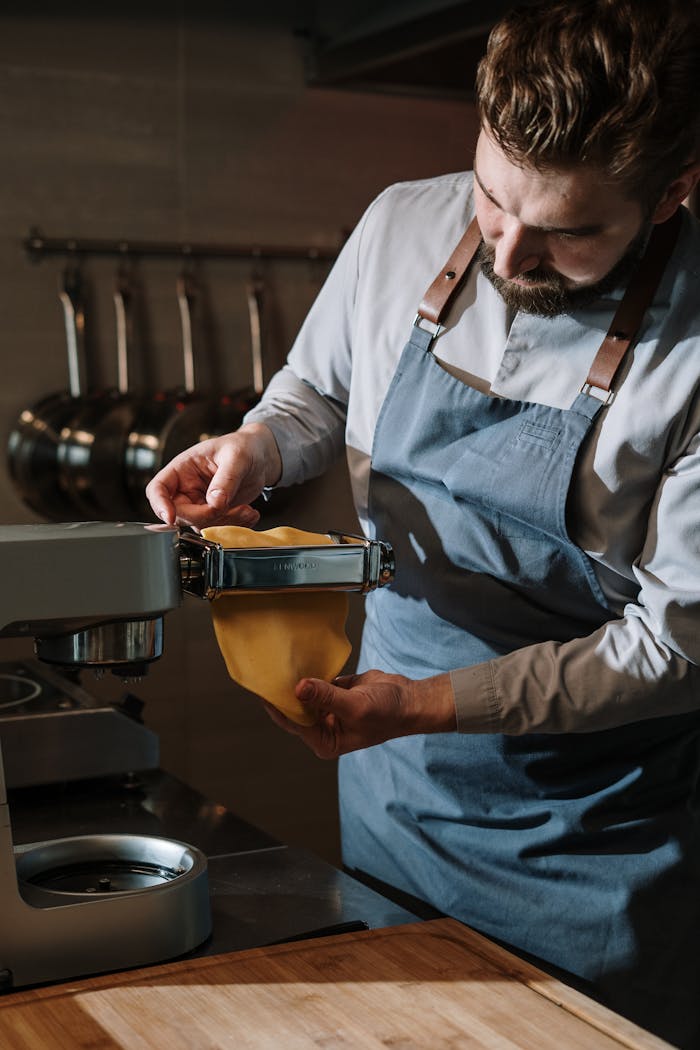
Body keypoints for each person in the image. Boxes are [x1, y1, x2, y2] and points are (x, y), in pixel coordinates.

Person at [147, 1, 700, 1044]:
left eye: (567, 231)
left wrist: (426, 704)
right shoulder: (404, 220)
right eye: (492, 198)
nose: (509, 250)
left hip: (595, 842)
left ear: (673, 189)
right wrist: (254, 449)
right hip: (393, 792)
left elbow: (675, 646)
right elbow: (314, 392)